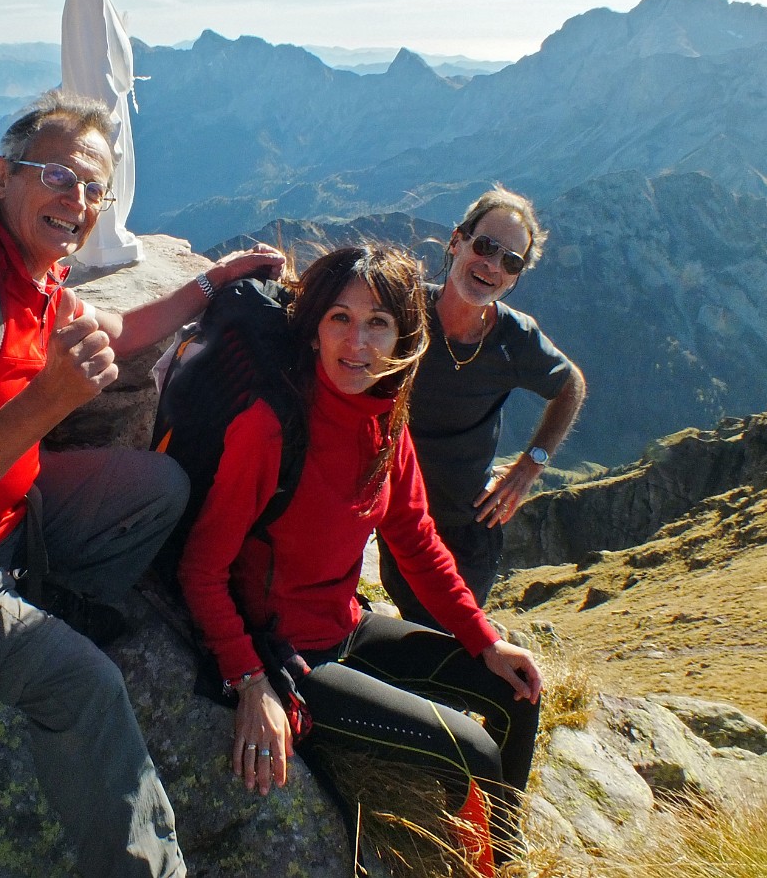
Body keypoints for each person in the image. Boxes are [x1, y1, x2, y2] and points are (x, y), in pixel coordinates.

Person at [0, 89, 285, 878]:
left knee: (158, 487)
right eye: (57, 175)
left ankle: (58, 598)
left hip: (17, 518)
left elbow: (119, 332)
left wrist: (213, 283)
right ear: (0, 175)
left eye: (92, 188)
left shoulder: (33, 274)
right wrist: (50, 399)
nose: (76, 201)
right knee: (86, 685)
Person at [178, 246, 544, 874]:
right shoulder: (270, 428)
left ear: (404, 335)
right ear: (314, 328)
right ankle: (483, 866)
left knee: (517, 693)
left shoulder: (386, 419)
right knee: (475, 752)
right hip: (294, 656)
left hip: (348, 622)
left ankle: (503, 861)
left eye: (377, 322)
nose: (357, 342)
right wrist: (250, 681)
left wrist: (484, 640)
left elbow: (416, 538)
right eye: (339, 319)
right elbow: (200, 571)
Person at [379, 187, 586, 626]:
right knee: (403, 620)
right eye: (486, 246)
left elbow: (571, 387)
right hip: (396, 517)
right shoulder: (405, 311)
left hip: (466, 528)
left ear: (515, 278)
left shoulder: (516, 338)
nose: (493, 265)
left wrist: (531, 465)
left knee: (445, 638)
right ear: (457, 241)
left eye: (512, 262)